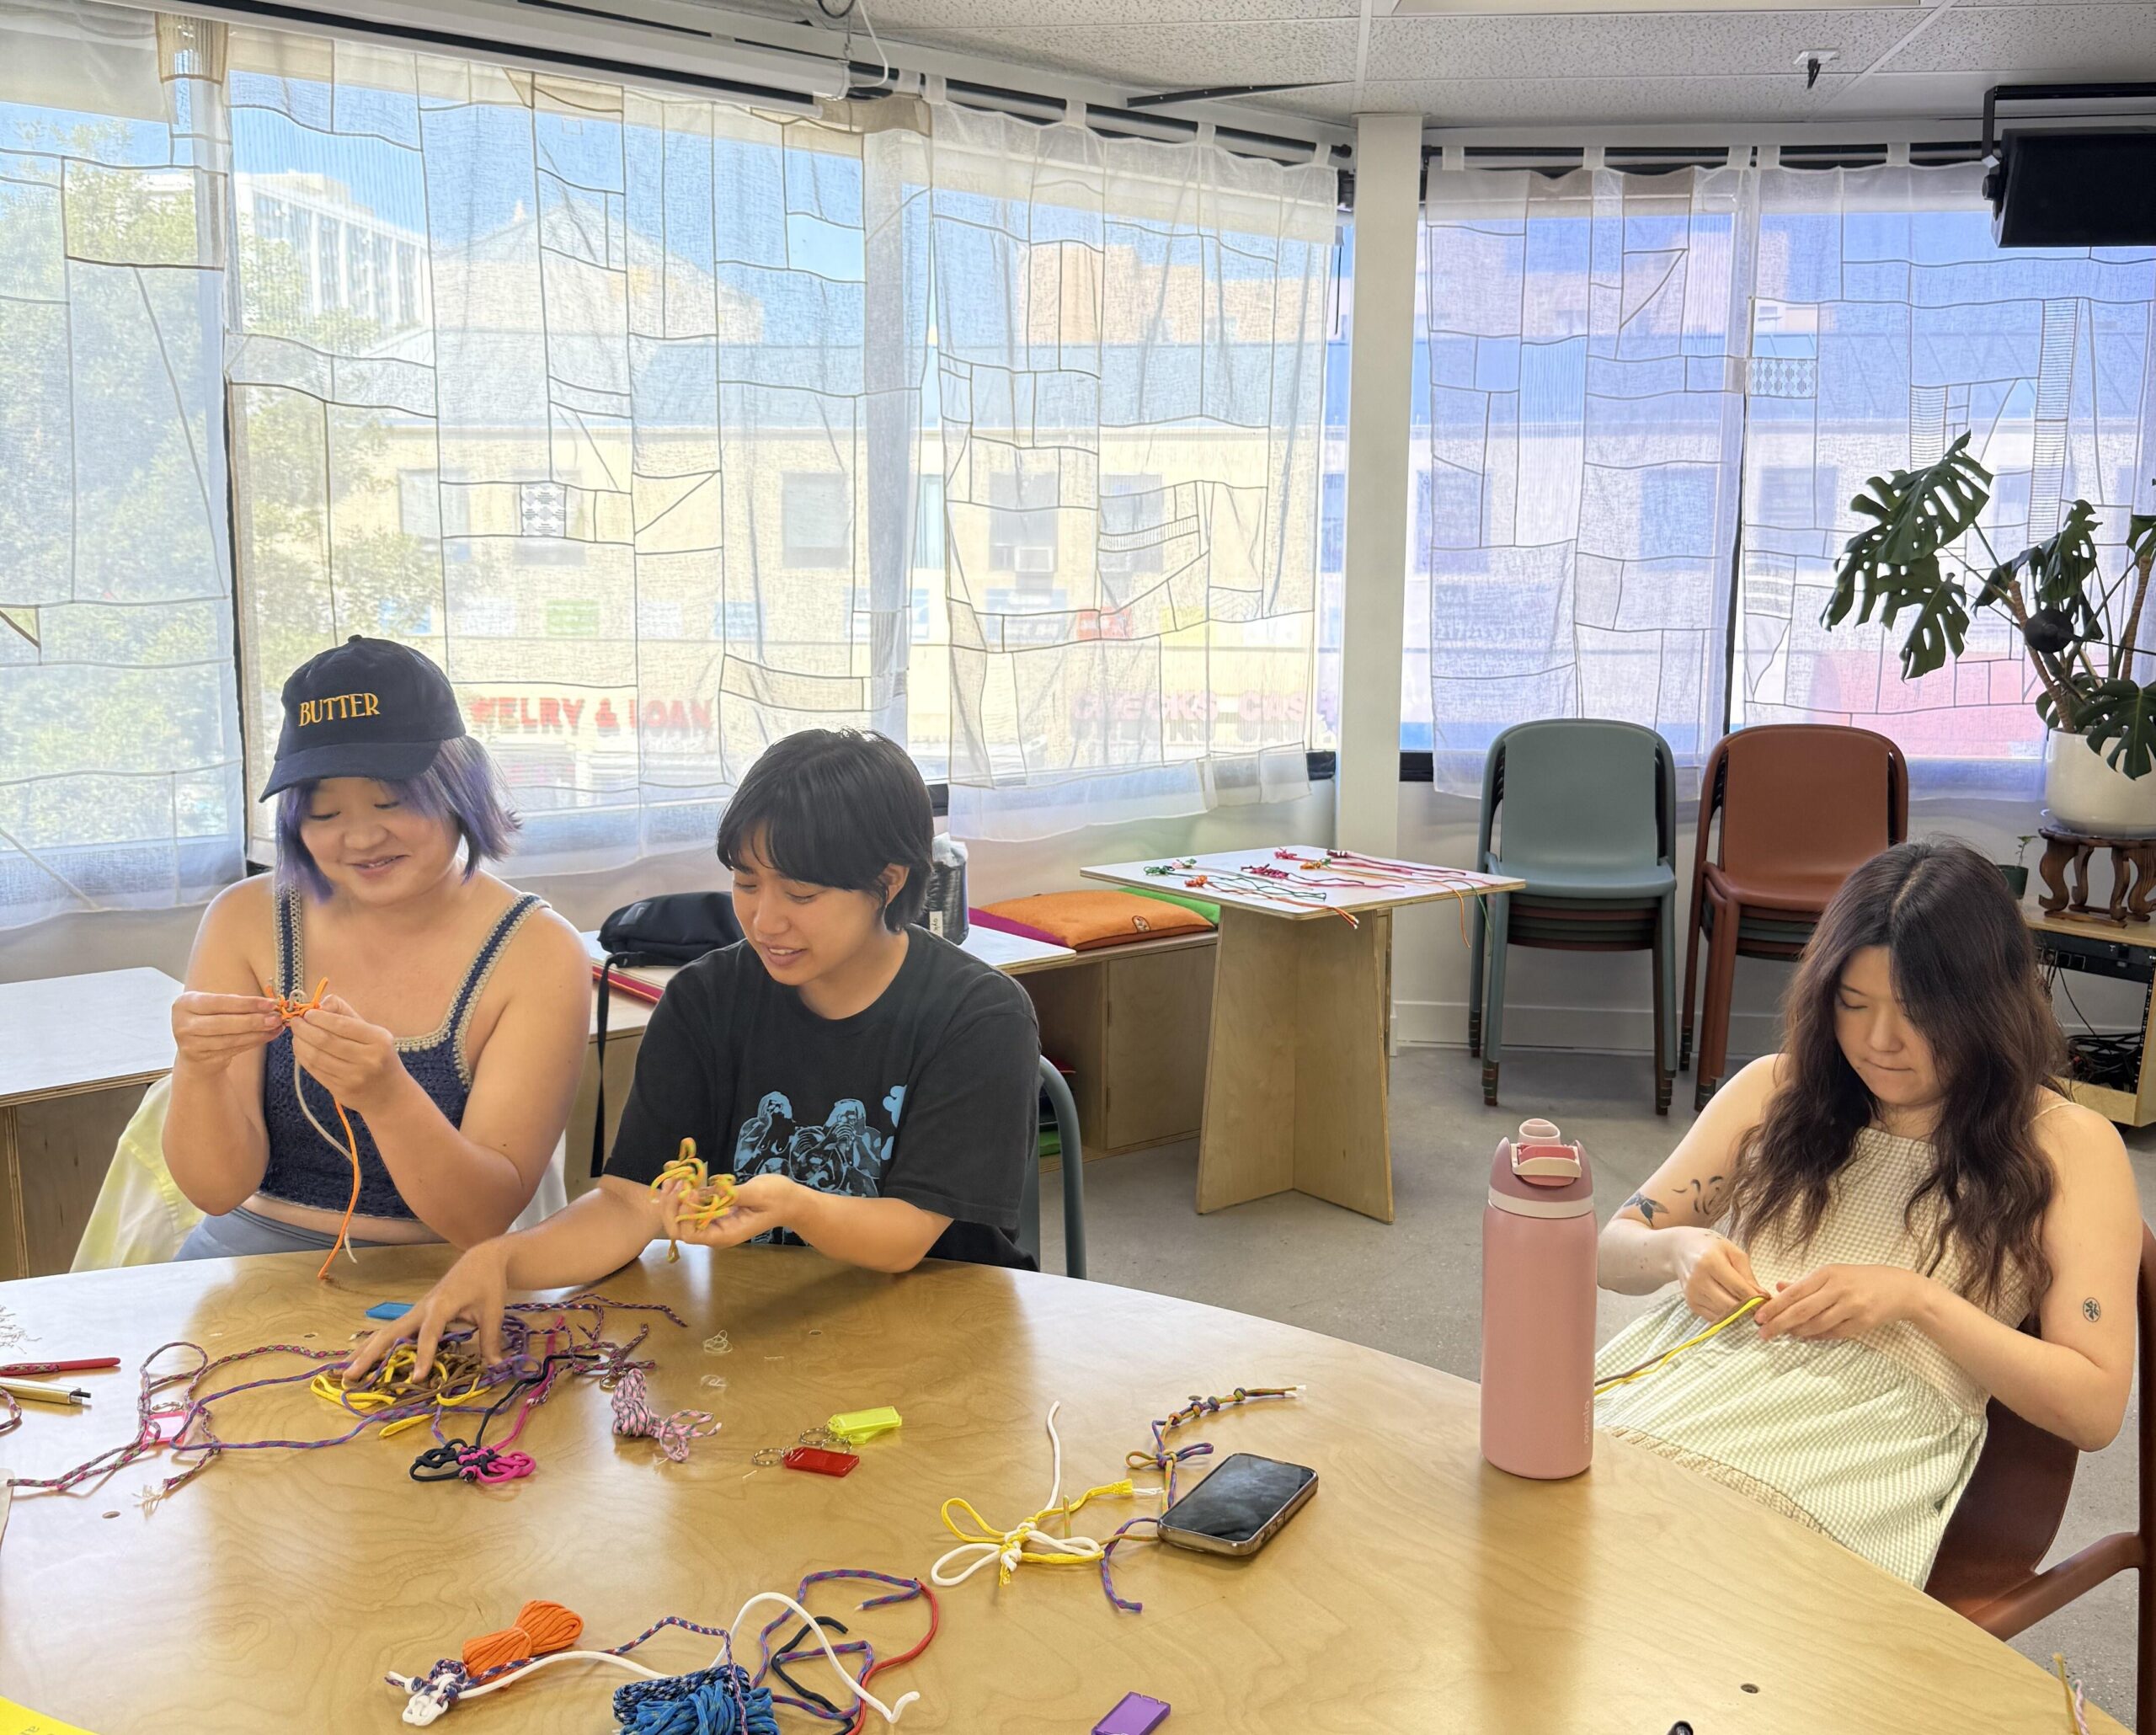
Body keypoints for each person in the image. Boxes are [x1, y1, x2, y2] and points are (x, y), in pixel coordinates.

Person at [349, 727, 1041, 1379]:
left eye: (800, 893)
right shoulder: (708, 998)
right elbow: (629, 1205)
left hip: (938, 1331)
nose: (765, 920)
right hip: (769, 1329)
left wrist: (794, 1204)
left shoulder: (976, 1014)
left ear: (888, 884)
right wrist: (502, 1261)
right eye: (745, 884)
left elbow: (905, 1238)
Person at [1594, 839, 2140, 1585]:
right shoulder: (1777, 1088)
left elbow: (2094, 1408)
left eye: (1918, 1015)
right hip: (1682, 1385)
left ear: (1989, 1006)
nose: (1879, 1043)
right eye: (1852, 1005)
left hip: (1848, 1453)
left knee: (1683, 1594)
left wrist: (1918, 1302)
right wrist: (1679, 1252)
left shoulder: (2066, 1144)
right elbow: (1612, 1249)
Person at [166, 637, 591, 1259]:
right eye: (323, 813)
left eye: (391, 802)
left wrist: (388, 1096)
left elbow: (480, 1218)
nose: (361, 837)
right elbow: (215, 1189)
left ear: (459, 791)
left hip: (436, 1272)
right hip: (242, 1259)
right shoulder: (247, 918)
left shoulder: (537, 950)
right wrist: (198, 1068)